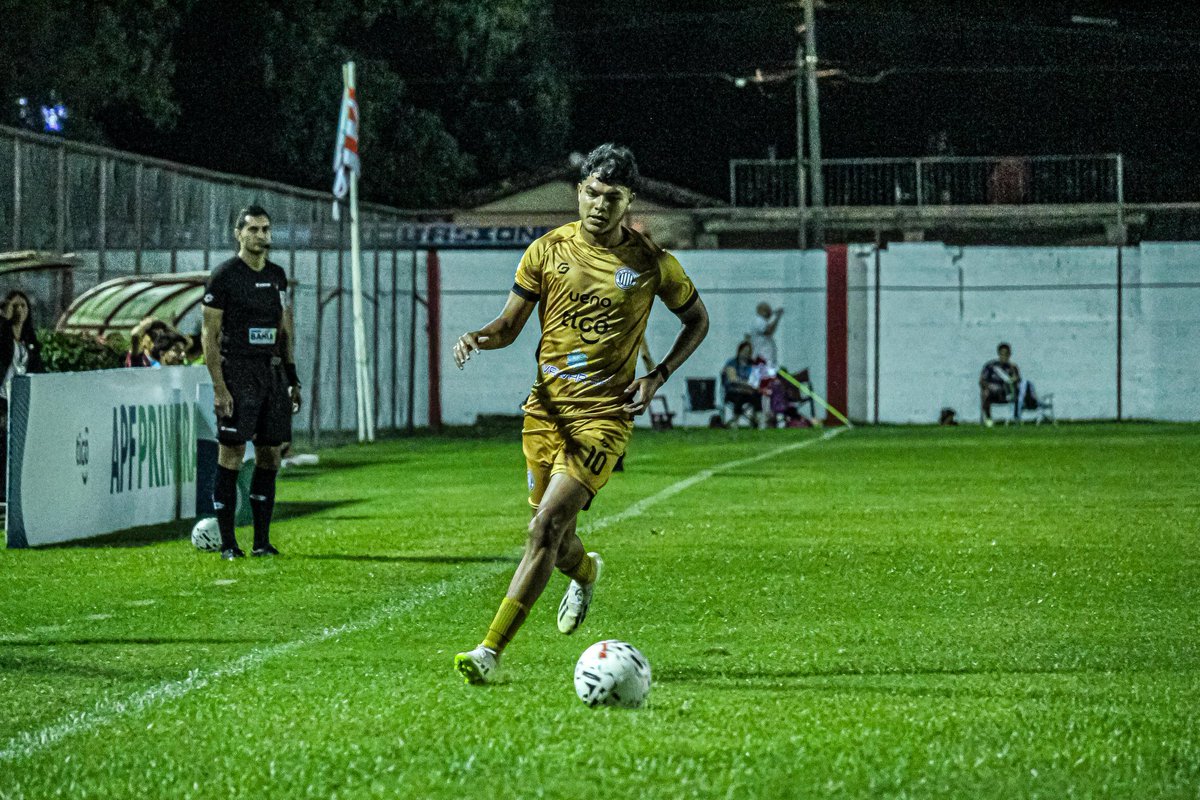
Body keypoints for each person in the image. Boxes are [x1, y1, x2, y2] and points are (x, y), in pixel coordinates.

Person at [452, 143, 709, 684]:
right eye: (591, 192)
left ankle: (489, 651)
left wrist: (657, 374)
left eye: (611, 197)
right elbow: (508, 326)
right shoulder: (545, 252)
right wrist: (477, 338)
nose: (598, 204)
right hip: (545, 413)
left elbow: (697, 321)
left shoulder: (651, 265)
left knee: (544, 526)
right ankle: (587, 572)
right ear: (579, 191)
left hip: (604, 418)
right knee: (555, 536)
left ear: (628, 201)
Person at [201, 205, 302, 559]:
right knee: (231, 453)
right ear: (238, 234)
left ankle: (262, 542)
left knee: (271, 455)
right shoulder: (225, 276)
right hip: (238, 372)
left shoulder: (277, 276)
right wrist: (219, 386)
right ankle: (229, 543)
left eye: (266, 229)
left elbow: (284, 328)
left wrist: (291, 376)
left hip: (271, 374)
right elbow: (209, 335)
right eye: (254, 230)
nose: (261, 235)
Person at [0, 291, 45, 500]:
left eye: (23, 306)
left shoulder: (30, 342)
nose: (20, 310)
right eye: (15, 306)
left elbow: (38, 371)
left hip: (20, 403)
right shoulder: (3, 336)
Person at [979, 342, 1020, 427]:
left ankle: (1015, 418)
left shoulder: (1012, 367)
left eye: (1006, 354)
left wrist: (1014, 379)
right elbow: (982, 381)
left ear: (1009, 354)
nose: (1004, 357)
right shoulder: (991, 366)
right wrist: (988, 387)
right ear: (999, 354)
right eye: (1002, 354)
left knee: (1018, 393)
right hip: (993, 393)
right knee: (985, 393)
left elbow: (1018, 381)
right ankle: (988, 418)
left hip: (1006, 393)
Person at [721, 341, 760, 426]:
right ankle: (735, 422)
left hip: (748, 392)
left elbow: (755, 381)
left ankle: (756, 421)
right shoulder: (731, 363)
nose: (746, 354)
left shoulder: (752, 365)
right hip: (733, 391)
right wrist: (746, 385)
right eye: (744, 351)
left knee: (757, 395)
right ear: (739, 351)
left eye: (748, 352)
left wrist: (748, 386)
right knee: (740, 396)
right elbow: (733, 379)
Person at [750, 302, 783, 367]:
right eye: (768, 310)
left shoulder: (763, 321)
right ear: (762, 311)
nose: (770, 312)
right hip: (763, 358)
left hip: (767, 358)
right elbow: (769, 331)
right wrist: (777, 317)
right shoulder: (759, 320)